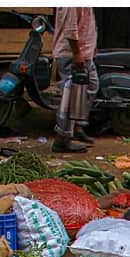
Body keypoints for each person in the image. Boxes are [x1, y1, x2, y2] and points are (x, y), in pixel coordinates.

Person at [52, 7, 98, 154]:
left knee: (91, 87)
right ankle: (62, 139)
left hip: (83, 53)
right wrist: (77, 53)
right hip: (71, 55)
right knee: (71, 97)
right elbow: (70, 29)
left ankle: (76, 127)